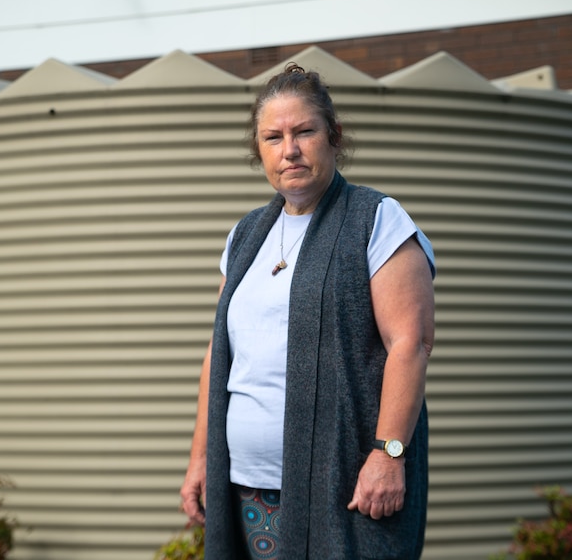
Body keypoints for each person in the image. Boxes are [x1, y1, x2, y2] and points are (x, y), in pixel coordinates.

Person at [180, 62, 436, 560]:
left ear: (333, 136)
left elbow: (411, 342)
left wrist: (389, 455)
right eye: (273, 137)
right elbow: (221, 351)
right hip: (249, 486)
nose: (289, 149)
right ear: (259, 150)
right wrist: (200, 457)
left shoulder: (375, 218)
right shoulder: (246, 236)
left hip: (346, 486)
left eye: (304, 131)